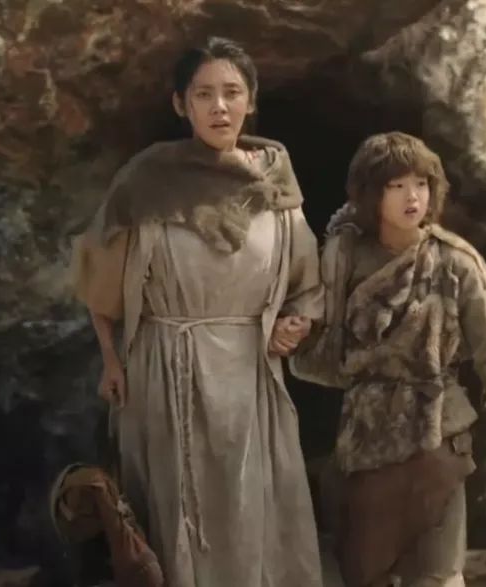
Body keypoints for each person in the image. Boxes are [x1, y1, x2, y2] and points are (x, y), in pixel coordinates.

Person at [70, 36, 324, 587]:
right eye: (203, 94)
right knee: (173, 507)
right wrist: (110, 359)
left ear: (251, 100)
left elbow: (307, 283)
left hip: (249, 371)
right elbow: (98, 279)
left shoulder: (276, 182)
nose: (219, 107)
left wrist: (295, 322)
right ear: (180, 104)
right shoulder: (146, 180)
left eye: (232, 92)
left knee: (251, 507)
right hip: (166, 366)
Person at [290, 132, 486, 587]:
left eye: (421, 184)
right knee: (368, 573)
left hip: (438, 435)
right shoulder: (342, 259)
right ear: (371, 193)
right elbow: (320, 338)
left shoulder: (455, 262)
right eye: (396, 185)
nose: (412, 197)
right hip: (366, 438)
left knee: (439, 575)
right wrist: (294, 332)